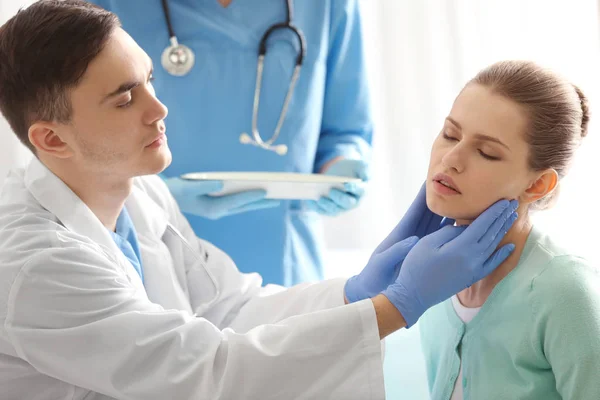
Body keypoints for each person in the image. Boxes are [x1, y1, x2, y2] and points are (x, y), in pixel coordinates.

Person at [0, 2, 518, 398]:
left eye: (151, 80)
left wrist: (358, 293)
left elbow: (225, 307)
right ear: (51, 139)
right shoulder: (37, 264)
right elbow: (208, 372)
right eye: (124, 98)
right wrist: (394, 308)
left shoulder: (140, 195)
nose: (159, 109)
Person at [86, 0, 374, 286]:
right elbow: (69, 132)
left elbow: (345, 129)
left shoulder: (327, 5)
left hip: (282, 257)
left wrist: (341, 167)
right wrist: (152, 196)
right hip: (153, 247)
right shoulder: (104, 5)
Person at [417, 60, 600, 399]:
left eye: (486, 152)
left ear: (537, 184)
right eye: (450, 134)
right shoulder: (430, 280)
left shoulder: (564, 292)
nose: (451, 159)